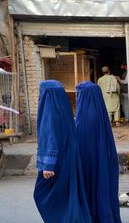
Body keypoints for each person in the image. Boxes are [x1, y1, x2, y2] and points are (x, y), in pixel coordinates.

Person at [33, 80, 92, 223]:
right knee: (67, 194)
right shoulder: (64, 110)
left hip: (55, 161)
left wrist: (48, 164)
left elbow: (50, 136)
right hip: (68, 158)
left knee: (41, 194)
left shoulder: (49, 111)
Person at [75, 81, 122, 223]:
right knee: (103, 189)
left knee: (91, 191)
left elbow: (81, 144)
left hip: (89, 164)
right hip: (103, 162)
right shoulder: (100, 112)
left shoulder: (85, 116)